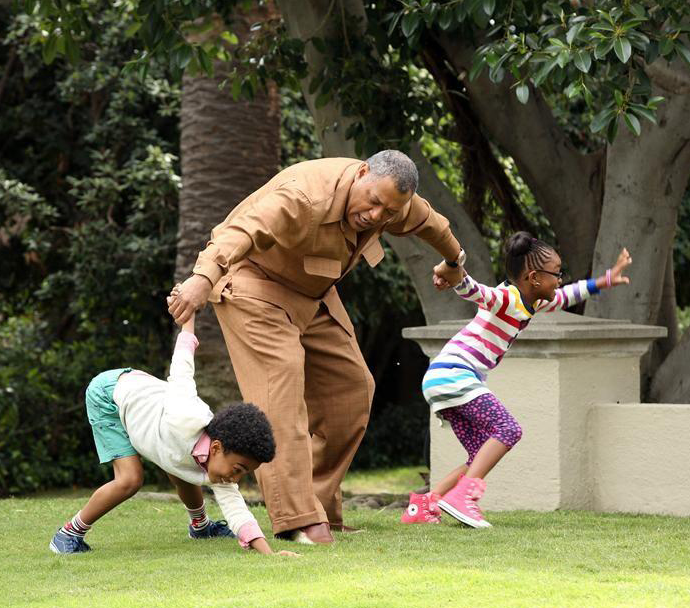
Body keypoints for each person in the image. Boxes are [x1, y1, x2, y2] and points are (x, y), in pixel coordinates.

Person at [168, 150, 467, 544]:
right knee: (281, 391)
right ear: (362, 173)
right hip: (253, 284)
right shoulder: (303, 196)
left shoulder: (396, 204)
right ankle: (296, 520)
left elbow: (433, 224)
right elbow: (238, 232)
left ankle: (318, 506)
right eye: (374, 202)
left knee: (353, 388)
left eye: (389, 212)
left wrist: (454, 262)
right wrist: (202, 279)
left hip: (312, 292)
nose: (377, 216)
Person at [401, 231, 633, 528]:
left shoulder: (534, 301)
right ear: (534, 277)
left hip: (444, 380)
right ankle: (462, 499)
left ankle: (425, 504)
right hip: (453, 373)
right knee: (508, 429)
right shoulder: (507, 298)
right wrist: (455, 275)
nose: (560, 279)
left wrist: (607, 279)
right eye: (556, 274)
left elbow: (567, 296)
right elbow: (476, 291)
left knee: (480, 454)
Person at [49, 308, 298, 556]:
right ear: (216, 447)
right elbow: (182, 366)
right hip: (110, 396)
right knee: (130, 479)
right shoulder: (186, 413)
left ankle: (200, 526)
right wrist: (188, 320)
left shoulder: (221, 467)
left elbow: (237, 511)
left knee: (183, 469)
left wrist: (270, 555)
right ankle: (68, 534)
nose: (235, 479)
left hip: (149, 410)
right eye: (238, 470)